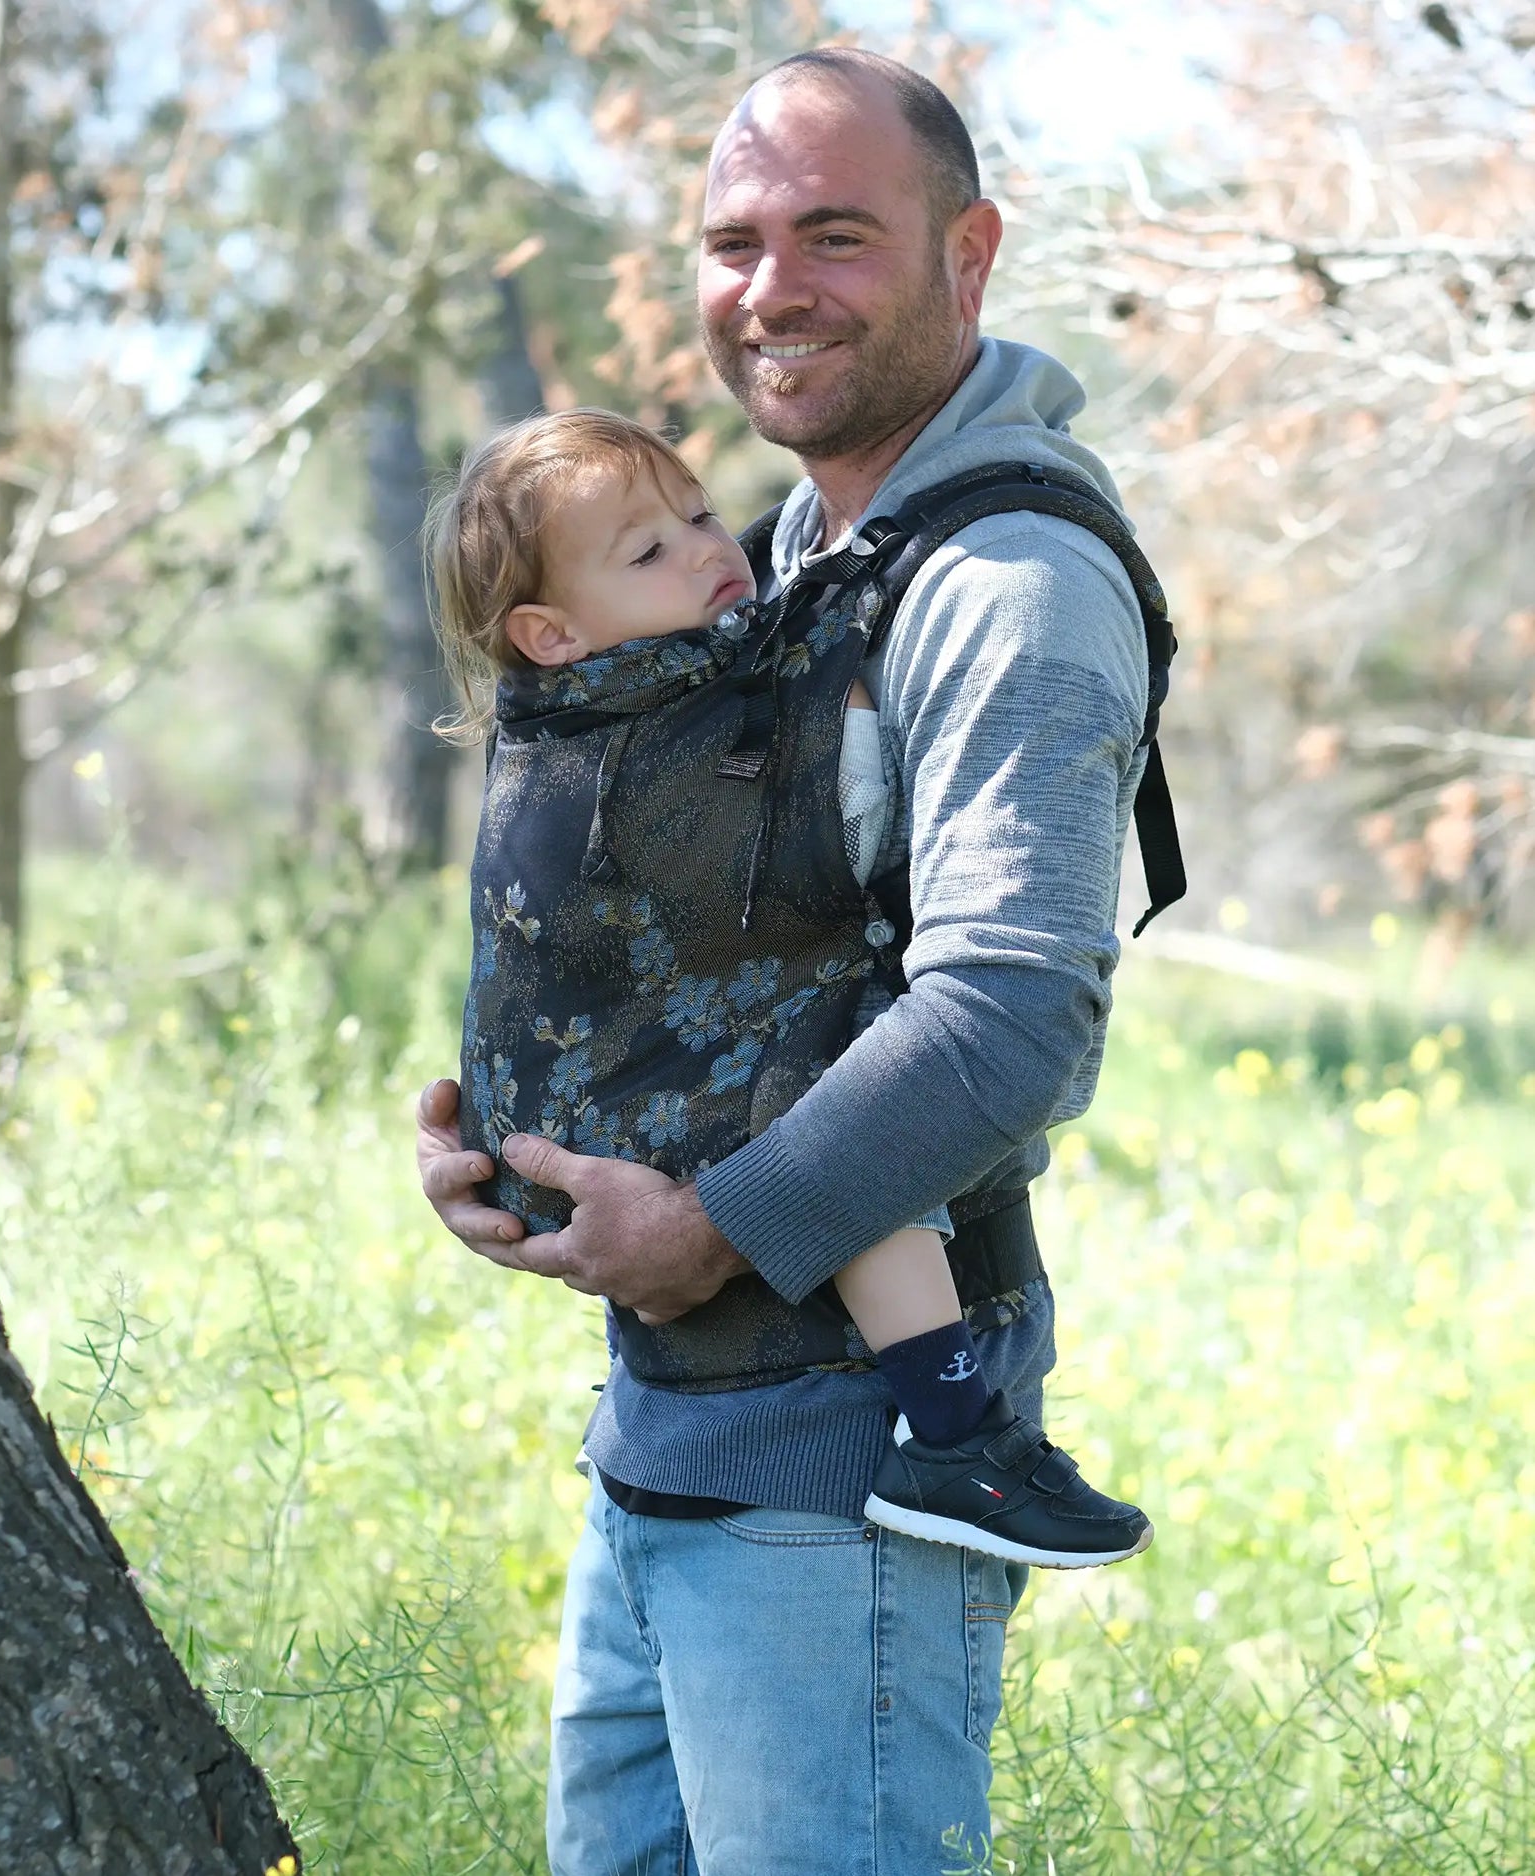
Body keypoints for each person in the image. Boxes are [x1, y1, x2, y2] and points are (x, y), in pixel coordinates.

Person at [417, 46, 1173, 1876]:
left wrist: (708, 1227)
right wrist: (519, 1134)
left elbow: (1011, 1018)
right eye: (733, 241)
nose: (772, 288)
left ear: (966, 255)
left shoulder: (1003, 585)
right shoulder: (775, 563)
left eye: (835, 235)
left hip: (850, 1473)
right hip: (668, 1439)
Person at [429, 403, 1153, 1570]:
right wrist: (846, 702)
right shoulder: (650, 717)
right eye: (649, 551)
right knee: (846, 1071)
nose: (710, 551)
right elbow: (819, 820)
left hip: (564, 1138)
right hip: (628, 1170)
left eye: (699, 514)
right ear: (549, 633)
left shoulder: (583, 702)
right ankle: (954, 1433)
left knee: (852, 1074)